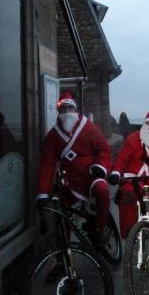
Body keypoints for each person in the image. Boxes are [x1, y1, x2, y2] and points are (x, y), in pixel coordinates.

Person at [36, 91, 112, 245]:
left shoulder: (88, 127)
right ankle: (64, 258)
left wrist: (100, 166)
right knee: (63, 216)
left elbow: (103, 148)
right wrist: (43, 192)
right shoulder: (52, 136)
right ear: (58, 111)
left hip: (90, 174)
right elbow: (47, 164)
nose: (66, 112)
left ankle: (101, 229)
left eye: (69, 108)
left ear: (74, 109)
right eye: (62, 109)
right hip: (69, 180)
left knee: (102, 190)